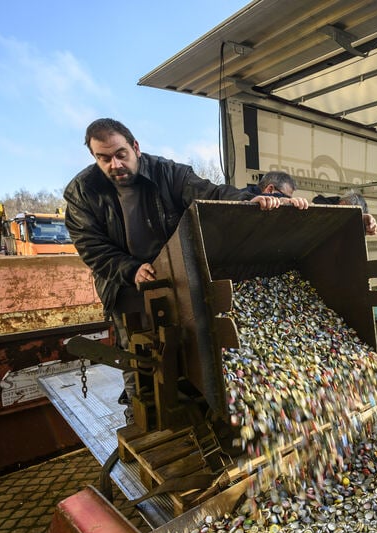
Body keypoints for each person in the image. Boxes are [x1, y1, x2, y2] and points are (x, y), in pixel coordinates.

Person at [63, 118, 306, 416]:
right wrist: (131, 269)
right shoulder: (81, 192)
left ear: (135, 148)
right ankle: (143, 414)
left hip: (175, 274)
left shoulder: (167, 173)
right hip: (126, 285)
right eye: (104, 158)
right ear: (94, 157)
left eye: (120, 154)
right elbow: (91, 247)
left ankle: (202, 405)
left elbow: (210, 193)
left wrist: (254, 199)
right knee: (137, 355)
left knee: (190, 345)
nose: (114, 164)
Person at [312, 189, 377, 236]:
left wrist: (365, 225)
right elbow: (317, 205)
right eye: (345, 202)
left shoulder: (350, 226)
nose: (342, 203)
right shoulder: (323, 202)